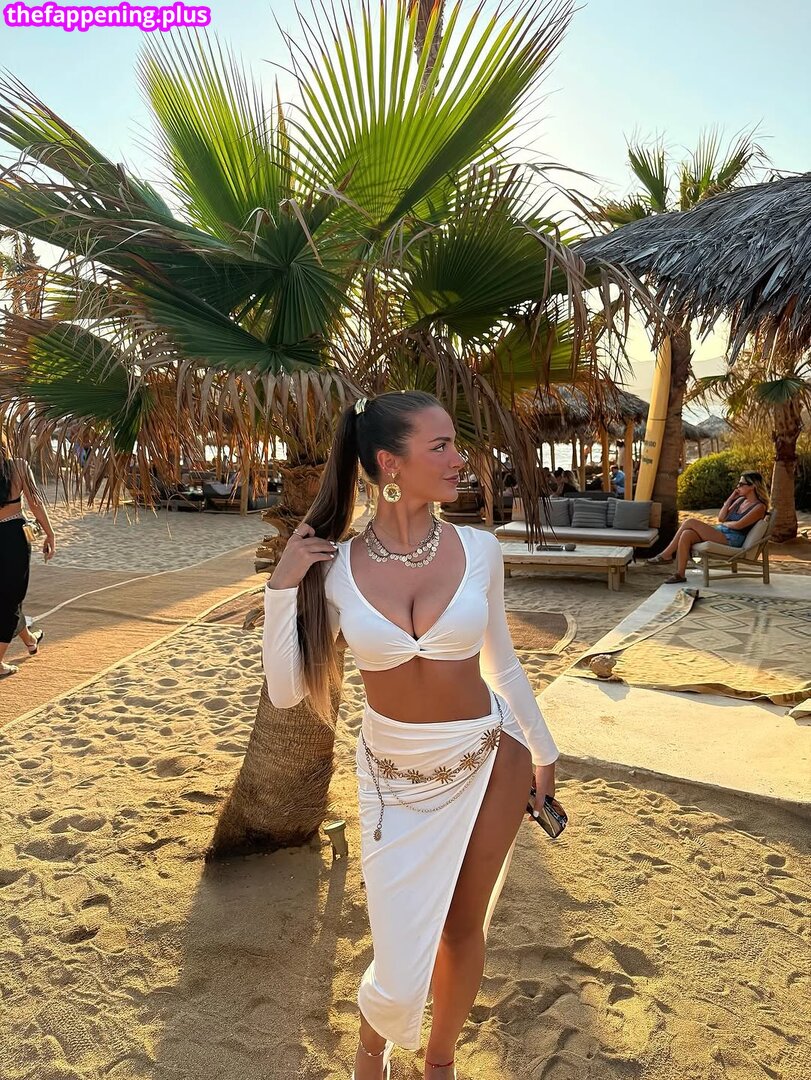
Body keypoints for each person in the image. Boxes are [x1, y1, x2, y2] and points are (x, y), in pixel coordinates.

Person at [262, 392, 560, 1080]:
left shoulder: (480, 550)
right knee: (400, 955)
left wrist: (544, 751)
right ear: (389, 463)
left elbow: (502, 663)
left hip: (489, 755)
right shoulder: (333, 567)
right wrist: (282, 586)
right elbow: (285, 690)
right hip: (392, 778)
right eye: (441, 446)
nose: (460, 460)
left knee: (460, 926)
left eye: (456, 444)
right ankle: (373, 1047)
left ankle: (439, 1063)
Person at [647, 471, 769, 584]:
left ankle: (666, 554)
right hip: (722, 532)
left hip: (733, 538)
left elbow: (739, 525)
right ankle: (680, 574)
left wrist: (726, 524)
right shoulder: (740, 500)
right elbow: (721, 518)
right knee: (687, 534)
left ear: (752, 486)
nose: (738, 487)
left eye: (741, 484)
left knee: (690, 522)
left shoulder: (759, 507)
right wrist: (731, 498)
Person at [0, 441, 55, 678]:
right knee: (11, 597)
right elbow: (35, 504)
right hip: (13, 536)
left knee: (7, 595)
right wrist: (50, 533)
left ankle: (30, 640)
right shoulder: (19, 467)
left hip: (11, 536)